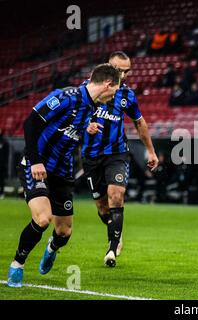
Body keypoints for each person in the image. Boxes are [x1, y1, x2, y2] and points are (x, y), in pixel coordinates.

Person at [7, 63, 121, 287]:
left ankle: (52, 248)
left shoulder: (90, 106)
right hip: (37, 165)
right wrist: (36, 161)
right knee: (42, 219)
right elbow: (31, 123)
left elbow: (71, 122)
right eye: (115, 90)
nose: (114, 96)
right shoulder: (65, 96)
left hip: (62, 172)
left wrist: (86, 127)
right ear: (108, 85)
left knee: (64, 232)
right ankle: (17, 265)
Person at [81, 52, 159, 267]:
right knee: (102, 207)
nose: (123, 75)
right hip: (91, 156)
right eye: (119, 69)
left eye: (127, 71)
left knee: (117, 194)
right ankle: (114, 231)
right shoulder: (87, 90)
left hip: (117, 153)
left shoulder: (126, 95)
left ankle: (112, 248)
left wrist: (151, 151)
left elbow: (139, 123)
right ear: (108, 66)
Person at [0, 129, 9, 198]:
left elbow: (7, 154)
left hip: (2, 164)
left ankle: (2, 192)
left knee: (2, 179)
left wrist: (5, 163)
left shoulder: (4, 142)